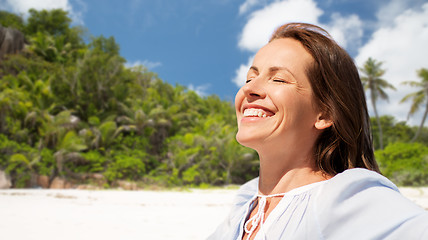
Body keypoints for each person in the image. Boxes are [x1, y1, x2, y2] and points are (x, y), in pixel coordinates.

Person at [208, 22, 428, 240]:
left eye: (278, 79)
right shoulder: (246, 202)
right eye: (250, 78)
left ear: (325, 114)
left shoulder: (342, 198)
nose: (249, 89)